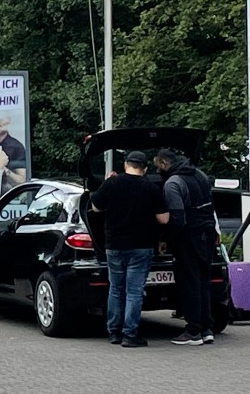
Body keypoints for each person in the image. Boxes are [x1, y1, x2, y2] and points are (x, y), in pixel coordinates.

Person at [90, 150, 169, 347]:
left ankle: (114, 332)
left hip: (114, 245)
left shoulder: (111, 184)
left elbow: (96, 208)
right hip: (141, 246)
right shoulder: (151, 188)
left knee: (116, 289)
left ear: (126, 164)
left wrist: (107, 185)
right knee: (134, 291)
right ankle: (130, 335)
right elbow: (164, 218)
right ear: (145, 168)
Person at [154, 148, 218, 345]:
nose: (158, 172)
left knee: (189, 283)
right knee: (203, 282)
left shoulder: (173, 183)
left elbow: (178, 218)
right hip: (207, 234)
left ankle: (193, 331)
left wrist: (166, 239)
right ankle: (207, 328)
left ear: (165, 164)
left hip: (188, 238)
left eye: (158, 167)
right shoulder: (200, 174)